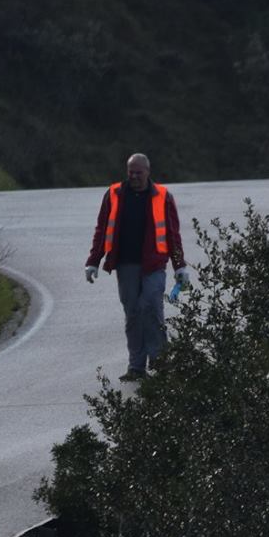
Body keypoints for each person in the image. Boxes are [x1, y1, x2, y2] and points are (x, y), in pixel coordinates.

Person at [83, 153, 190, 381]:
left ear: (148, 172)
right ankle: (136, 367)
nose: (134, 176)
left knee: (150, 309)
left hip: (154, 265)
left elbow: (173, 235)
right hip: (125, 265)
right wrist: (93, 261)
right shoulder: (114, 195)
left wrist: (179, 266)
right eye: (131, 172)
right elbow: (101, 230)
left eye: (138, 172)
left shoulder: (162, 196)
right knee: (132, 314)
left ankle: (161, 364)